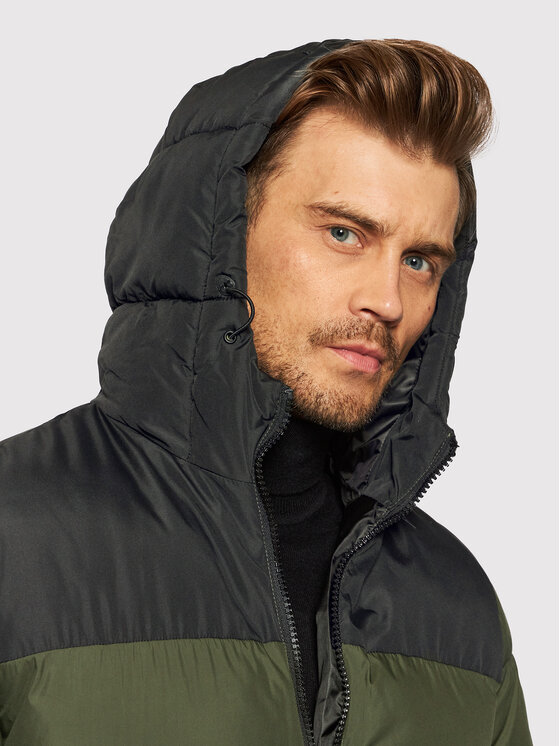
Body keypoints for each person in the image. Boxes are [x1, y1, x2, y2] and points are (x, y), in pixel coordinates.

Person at [0, 39, 532, 745]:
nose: (388, 301)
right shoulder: (15, 539)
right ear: (218, 235)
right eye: (344, 233)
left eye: (418, 261)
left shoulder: (457, 609)